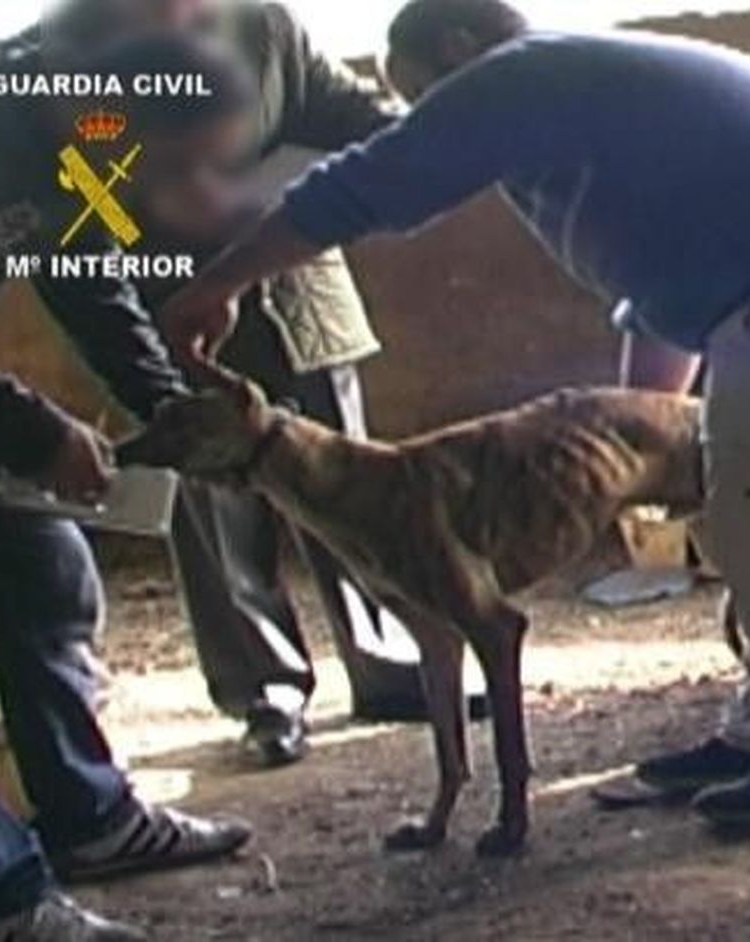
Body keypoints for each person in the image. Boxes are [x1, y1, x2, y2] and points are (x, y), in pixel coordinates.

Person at [161, 0, 750, 826]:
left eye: (424, 97)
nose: (429, 119)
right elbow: (663, 286)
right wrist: (642, 433)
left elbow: (365, 186)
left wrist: (217, 282)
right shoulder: (584, 98)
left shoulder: (519, 75)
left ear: (459, 46)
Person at [0, 28, 269, 942]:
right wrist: (33, 426)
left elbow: (95, 280)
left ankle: (94, 821)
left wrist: (173, 411)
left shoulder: (91, 140)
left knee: (43, 571)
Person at [38, 0, 469, 770]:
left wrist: (272, 190)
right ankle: (266, 690)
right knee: (213, 514)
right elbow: (73, 184)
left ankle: (390, 661)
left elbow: (364, 121)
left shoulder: (265, 25)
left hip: (297, 300)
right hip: (170, 312)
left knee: (354, 493)